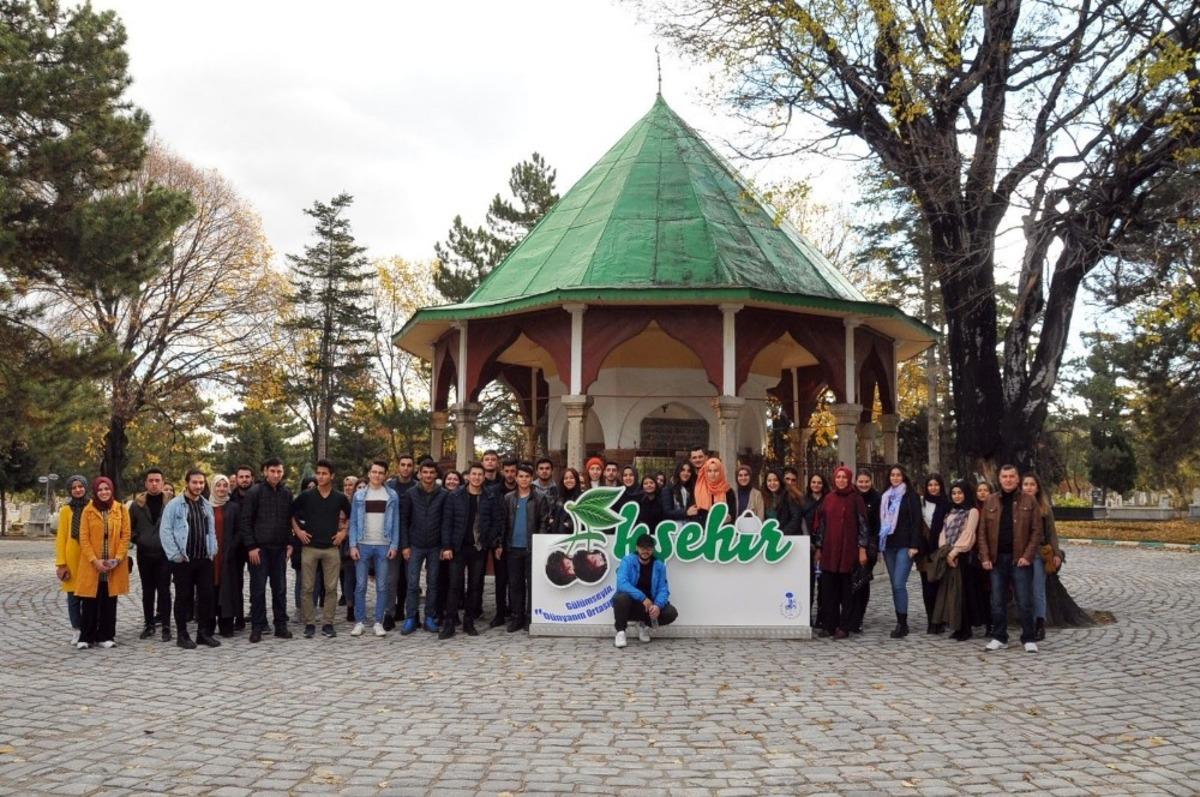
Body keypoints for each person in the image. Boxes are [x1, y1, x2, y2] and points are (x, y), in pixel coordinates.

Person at [978, 465, 1043, 653]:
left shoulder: (1029, 501)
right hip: (997, 559)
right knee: (997, 600)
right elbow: (982, 532)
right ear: (999, 479)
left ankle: (1028, 638)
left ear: (1017, 479)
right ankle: (999, 637)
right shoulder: (990, 500)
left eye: (1011, 476)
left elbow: (1036, 531)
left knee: (1024, 600)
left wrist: (1028, 556)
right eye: (1004, 476)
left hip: (1020, 559)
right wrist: (985, 556)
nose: (1008, 479)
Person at [161, 469, 221, 649]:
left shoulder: (205, 505)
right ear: (187, 483)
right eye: (195, 482)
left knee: (206, 597)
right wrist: (175, 555)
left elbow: (211, 530)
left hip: (204, 558)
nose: (198, 486)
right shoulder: (174, 505)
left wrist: (213, 549)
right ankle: (182, 634)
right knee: (183, 597)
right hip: (184, 560)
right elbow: (165, 531)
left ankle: (203, 633)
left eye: (201, 483)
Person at [291, 459, 351, 639]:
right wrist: (298, 531)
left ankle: (328, 623)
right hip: (309, 547)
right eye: (318, 473)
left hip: (331, 548)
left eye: (324, 473)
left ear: (331, 476)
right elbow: (291, 513)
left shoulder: (339, 497)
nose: (320, 476)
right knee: (307, 588)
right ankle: (309, 623)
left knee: (331, 588)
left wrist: (343, 533)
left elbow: (351, 515)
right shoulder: (307, 496)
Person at [239, 457, 294, 643]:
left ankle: (281, 625)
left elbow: (289, 521)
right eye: (273, 471)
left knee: (279, 589)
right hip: (259, 549)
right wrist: (251, 546)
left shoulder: (286, 493)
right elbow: (245, 521)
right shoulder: (254, 492)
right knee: (258, 589)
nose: (276, 475)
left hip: (279, 549)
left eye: (279, 471)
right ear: (265, 472)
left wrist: (289, 543)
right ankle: (257, 627)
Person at [812, 466, 869, 639]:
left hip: (848, 551)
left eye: (845, 477)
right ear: (834, 479)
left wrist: (862, 549)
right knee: (829, 591)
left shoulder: (855, 499)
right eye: (838, 477)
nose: (841, 480)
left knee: (847, 591)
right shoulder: (828, 498)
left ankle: (844, 626)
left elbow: (863, 526)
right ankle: (830, 625)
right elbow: (821, 525)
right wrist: (819, 548)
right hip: (830, 550)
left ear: (849, 479)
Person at [75, 477, 131, 649]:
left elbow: (125, 535)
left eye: (107, 489)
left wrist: (118, 558)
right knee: (90, 600)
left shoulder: (120, 509)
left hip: (113, 565)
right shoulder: (88, 510)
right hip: (93, 565)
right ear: (95, 492)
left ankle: (106, 635)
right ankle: (86, 636)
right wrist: (94, 560)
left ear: (112, 490)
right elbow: (83, 538)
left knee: (109, 600)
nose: (104, 492)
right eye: (100, 489)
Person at [439, 463, 491, 638]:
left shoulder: (488, 497)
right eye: (474, 474)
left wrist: (489, 541)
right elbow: (447, 523)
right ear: (468, 476)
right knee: (454, 586)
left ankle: (469, 621)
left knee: (475, 587)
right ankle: (449, 623)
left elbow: (493, 522)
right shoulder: (455, 496)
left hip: (478, 549)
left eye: (480, 475)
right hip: (458, 548)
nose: (476, 477)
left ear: (484, 477)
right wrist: (446, 546)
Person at [349, 461, 400, 637]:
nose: (377, 475)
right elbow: (354, 522)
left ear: (385, 475)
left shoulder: (391, 495)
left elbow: (396, 523)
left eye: (380, 473)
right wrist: (353, 544)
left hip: (383, 544)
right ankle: (360, 621)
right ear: (369, 474)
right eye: (374, 472)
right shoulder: (359, 496)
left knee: (382, 586)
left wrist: (394, 545)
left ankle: (379, 621)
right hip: (363, 544)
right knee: (361, 585)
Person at [498, 463, 549, 632]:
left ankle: (530, 616)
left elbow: (543, 521)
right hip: (513, 548)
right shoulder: (508, 498)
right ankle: (516, 617)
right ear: (516, 478)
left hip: (531, 548)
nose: (524, 479)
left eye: (527, 476)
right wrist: (500, 543)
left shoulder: (540, 498)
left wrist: (539, 541)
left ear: (531, 478)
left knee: (532, 584)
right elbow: (503, 522)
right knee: (515, 584)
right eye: (521, 476)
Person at [400, 458, 448, 635]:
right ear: (419, 473)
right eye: (425, 472)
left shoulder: (443, 494)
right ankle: (411, 617)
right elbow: (404, 520)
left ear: (436, 475)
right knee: (412, 583)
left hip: (435, 546)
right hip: (415, 544)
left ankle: (430, 617)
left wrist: (444, 546)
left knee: (433, 583)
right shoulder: (411, 493)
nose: (428, 475)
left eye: (431, 473)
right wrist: (405, 545)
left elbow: (445, 521)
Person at [931, 481, 982, 641]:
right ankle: (956, 626)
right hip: (948, 554)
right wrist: (945, 553)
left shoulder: (972, 511)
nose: (957, 496)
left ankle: (966, 628)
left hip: (963, 556)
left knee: (963, 593)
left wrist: (954, 553)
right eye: (954, 493)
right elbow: (943, 533)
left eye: (960, 493)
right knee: (952, 593)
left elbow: (969, 534)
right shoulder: (951, 511)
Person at [878, 465, 923, 639]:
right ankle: (900, 620)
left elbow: (916, 522)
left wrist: (914, 545)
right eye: (892, 475)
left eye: (898, 475)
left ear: (903, 477)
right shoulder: (885, 496)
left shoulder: (910, 496)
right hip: (889, 545)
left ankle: (903, 623)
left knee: (899, 583)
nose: (895, 478)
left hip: (905, 545)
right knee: (894, 585)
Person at [613, 532, 678, 648]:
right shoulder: (627, 561)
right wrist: (642, 597)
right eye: (642, 548)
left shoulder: (659, 566)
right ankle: (621, 632)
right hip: (632, 604)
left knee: (671, 612)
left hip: (649, 606)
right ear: (637, 548)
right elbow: (622, 584)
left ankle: (644, 626)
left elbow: (663, 589)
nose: (645, 551)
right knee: (621, 598)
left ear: (653, 549)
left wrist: (657, 605)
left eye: (649, 548)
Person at [129, 468, 172, 642]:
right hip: (145, 553)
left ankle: (167, 626)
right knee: (148, 590)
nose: (154, 484)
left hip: (164, 554)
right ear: (146, 483)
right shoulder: (136, 505)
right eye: (151, 481)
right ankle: (149, 624)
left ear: (162, 483)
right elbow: (129, 528)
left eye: (157, 480)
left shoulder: (171, 503)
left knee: (165, 590)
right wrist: (139, 539)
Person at [1022, 472, 1062, 642]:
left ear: (1037, 487)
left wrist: (1057, 553)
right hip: (1021, 554)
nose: (1029, 487)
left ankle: (1039, 623)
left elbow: (1052, 533)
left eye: (1032, 484)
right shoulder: (1017, 506)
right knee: (1023, 590)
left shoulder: (1045, 508)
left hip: (1040, 553)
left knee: (1038, 590)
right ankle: (1026, 622)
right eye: (1026, 484)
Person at [482, 456, 517, 627]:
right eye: (507, 471)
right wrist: (496, 542)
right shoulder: (495, 491)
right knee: (501, 579)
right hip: (500, 541)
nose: (510, 475)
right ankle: (500, 612)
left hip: (517, 540)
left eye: (513, 471)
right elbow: (495, 517)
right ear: (503, 471)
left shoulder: (524, 488)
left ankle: (515, 610)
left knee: (516, 579)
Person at [54, 475, 89, 646]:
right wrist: (61, 563)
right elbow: (61, 538)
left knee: (89, 596)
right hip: (71, 558)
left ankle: (90, 629)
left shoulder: (92, 507)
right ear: (70, 490)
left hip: (89, 558)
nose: (77, 490)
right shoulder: (65, 510)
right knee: (73, 598)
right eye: (74, 487)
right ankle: (77, 629)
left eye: (80, 486)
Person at [383, 454, 416, 631]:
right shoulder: (389, 487)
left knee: (410, 579)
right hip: (392, 539)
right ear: (398, 467)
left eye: (409, 465)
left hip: (412, 539)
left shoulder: (417, 487)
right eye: (402, 465)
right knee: (392, 578)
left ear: (413, 467)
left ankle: (408, 611)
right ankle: (389, 612)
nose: (405, 468)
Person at [209, 475, 241, 637]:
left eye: (224, 485)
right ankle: (208, 623)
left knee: (227, 589)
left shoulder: (233, 507)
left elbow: (239, 530)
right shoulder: (205, 506)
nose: (221, 489)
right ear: (213, 487)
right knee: (209, 587)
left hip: (227, 555)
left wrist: (232, 547)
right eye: (218, 485)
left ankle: (226, 623)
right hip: (210, 556)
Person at [225, 465, 255, 631]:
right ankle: (238, 616)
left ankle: (256, 612)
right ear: (236, 479)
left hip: (253, 546)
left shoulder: (257, 495)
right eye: (241, 477)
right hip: (235, 547)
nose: (244, 479)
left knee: (256, 582)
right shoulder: (230, 498)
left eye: (247, 477)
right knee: (235, 583)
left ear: (252, 478)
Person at [920, 475, 950, 634]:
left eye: (936, 485)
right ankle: (931, 620)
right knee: (927, 587)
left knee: (940, 586)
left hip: (941, 550)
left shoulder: (947, 503)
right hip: (924, 551)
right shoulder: (921, 503)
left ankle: (941, 620)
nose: (933, 488)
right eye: (930, 485)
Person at [339, 475, 360, 622]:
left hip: (362, 544)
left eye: (350, 485)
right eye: (345, 485)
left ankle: (358, 603)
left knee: (360, 578)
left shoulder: (361, 502)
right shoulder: (341, 502)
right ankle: (350, 606)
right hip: (346, 545)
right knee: (348, 577)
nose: (347, 487)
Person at [693, 457, 736, 525]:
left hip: (722, 531)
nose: (712, 474)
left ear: (721, 472)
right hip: (702, 530)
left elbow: (733, 514)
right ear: (705, 472)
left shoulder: (728, 490)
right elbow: (695, 513)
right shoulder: (699, 490)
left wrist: (729, 517)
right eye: (709, 471)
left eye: (716, 471)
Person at [548, 468, 582, 534]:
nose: (568, 480)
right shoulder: (557, 497)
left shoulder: (581, 498)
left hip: (574, 536)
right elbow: (551, 514)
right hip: (555, 536)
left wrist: (569, 525)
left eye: (571, 478)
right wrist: (551, 522)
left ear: (576, 480)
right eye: (566, 478)